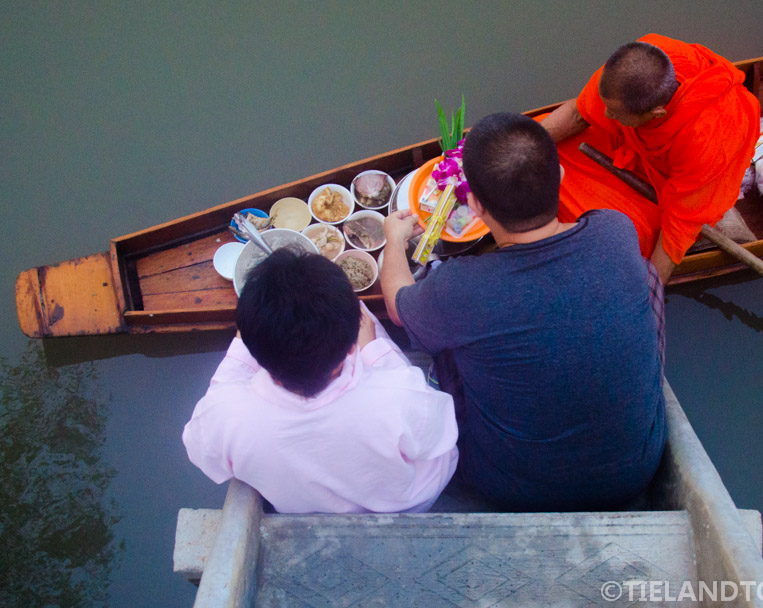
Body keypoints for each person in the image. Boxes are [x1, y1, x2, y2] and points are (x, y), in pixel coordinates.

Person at [381, 112, 666, 511]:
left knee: (440, 335)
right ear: (561, 176)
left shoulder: (461, 288)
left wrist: (393, 240)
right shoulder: (615, 232)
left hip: (513, 487)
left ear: (475, 205)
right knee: (648, 275)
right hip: (634, 472)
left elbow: (397, 304)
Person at [182, 249, 458, 514]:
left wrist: (241, 353)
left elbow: (200, 450)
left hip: (305, 509)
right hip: (405, 504)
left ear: (254, 353)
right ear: (351, 347)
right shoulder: (398, 395)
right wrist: (375, 350)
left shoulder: (225, 415)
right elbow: (441, 437)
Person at [539, 34, 760, 282]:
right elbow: (579, 113)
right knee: (538, 143)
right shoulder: (640, 59)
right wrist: (522, 148)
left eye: (615, 112)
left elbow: (677, 229)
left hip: (671, 184)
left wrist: (650, 292)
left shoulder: (708, 138)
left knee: (619, 238)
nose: (606, 114)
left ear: (658, 113)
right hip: (628, 146)